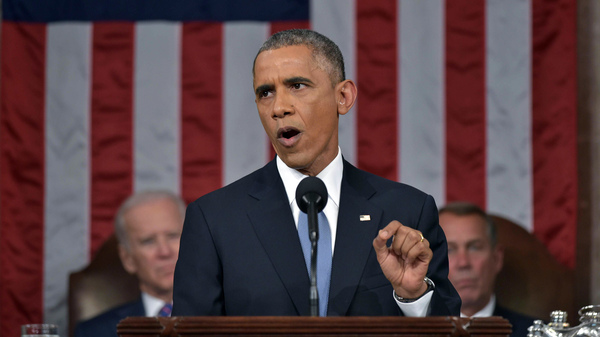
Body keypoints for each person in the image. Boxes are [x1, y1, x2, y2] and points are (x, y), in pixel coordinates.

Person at [173, 29, 460, 317]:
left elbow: (449, 327)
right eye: (265, 93)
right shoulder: (215, 219)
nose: (279, 108)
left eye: (297, 85)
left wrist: (414, 298)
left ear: (343, 97)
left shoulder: (407, 210)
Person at [74, 190, 185, 337]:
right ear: (128, 259)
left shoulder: (225, 318)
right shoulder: (94, 332)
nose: (164, 252)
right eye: (148, 241)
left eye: (173, 236)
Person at [438, 201, 537, 336]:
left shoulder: (538, 333)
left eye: (475, 247)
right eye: (449, 250)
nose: (463, 263)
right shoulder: (409, 332)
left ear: (497, 259)